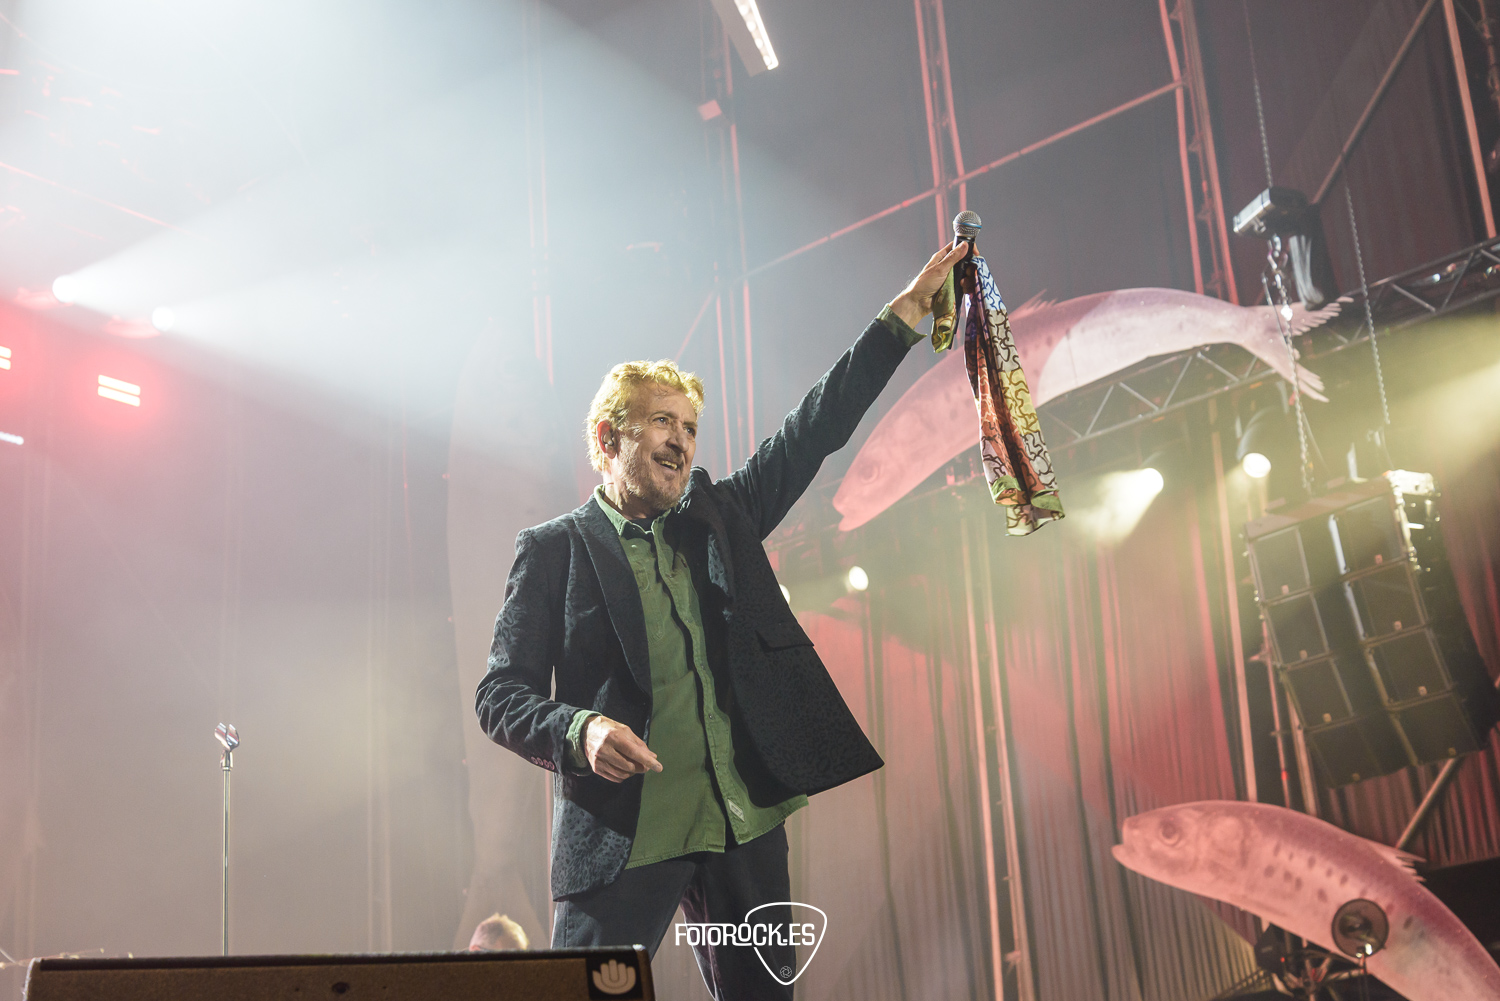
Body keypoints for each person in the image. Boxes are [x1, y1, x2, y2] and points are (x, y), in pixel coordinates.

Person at [475, 241, 968, 999]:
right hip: (625, 836)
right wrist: (580, 730)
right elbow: (498, 694)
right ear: (609, 438)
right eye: (661, 422)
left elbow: (813, 428)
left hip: (744, 826)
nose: (681, 440)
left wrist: (901, 318)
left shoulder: (720, 517)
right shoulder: (553, 551)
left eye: (690, 426)